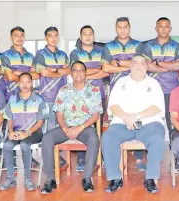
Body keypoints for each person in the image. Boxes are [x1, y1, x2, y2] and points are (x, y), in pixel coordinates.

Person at [101, 55, 165, 194]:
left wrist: (136, 116)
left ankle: (151, 178)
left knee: (157, 139)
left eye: (142, 63)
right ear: (130, 66)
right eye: (135, 63)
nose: (138, 65)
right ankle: (115, 178)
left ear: (146, 67)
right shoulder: (120, 83)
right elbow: (113, 105)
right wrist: (126, 117)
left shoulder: (154, 83)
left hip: (149, 123)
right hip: (123, 123)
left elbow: (157, 107)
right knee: (108, 137)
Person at [40, 61, 102, 194]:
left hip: (85, 128)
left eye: (81, 70)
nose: (78, 72)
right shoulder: (63, 90)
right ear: (71, 73)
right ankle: (50, 179)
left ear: (85, 73)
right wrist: (64, 128)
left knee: (94, 139)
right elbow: (59, 113)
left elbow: (96, 115)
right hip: (66, 127)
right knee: (46, 138)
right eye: (75, 70)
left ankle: (87, 178)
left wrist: (79, 128)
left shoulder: (94, 90)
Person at [102, 17, 146, 172]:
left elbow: (140, 64)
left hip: (137, 89)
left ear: (129, 27)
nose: (122, 30)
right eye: (119, 27)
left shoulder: (139, 45)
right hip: (117, 91)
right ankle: (116, 158)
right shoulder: (108, 47)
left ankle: (139, 158)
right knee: (119, 123)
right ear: (116, 28)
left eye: (125, 27)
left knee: (138, 122)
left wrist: (118, 63)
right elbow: (106, 69)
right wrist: (129, 66)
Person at [0, 72, 47, 191]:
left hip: (34, 133)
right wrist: (10, 131)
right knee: (7, 145)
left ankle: (28, 178)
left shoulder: (39, 99)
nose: (25, 85)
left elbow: (40, 122)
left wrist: (27, 133)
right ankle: (10, 178)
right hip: (16, 131)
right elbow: (9, 118)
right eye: (22, 82)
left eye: (28, 82)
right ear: (18, 84)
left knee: (25, 145)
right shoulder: (13, 99)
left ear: (32, 83)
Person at [69, 25, 108, 172]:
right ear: (80, 37)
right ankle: (81, 158)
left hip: (99, 95)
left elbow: (106, 72)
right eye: (84, 34)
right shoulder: (75, 53)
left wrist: (85, 73)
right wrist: (95, 70)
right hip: (80, 97)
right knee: (81, 126)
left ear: (94, 35)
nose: (87, 37)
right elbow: (75, 72)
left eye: (90, 34)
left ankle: (99, 156)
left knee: (99, 129)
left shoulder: (102, 52)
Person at [139, 17, 179, 132]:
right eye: (161, 26)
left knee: (172, 120)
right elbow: (147, 66)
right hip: (152, 89)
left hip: (172, 89)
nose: (163, 29)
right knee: (150, 120)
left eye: (166, 26)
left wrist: (158, 63)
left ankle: (174, 146)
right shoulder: (148, 46)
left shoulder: (177, 46)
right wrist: (169, 67)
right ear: (156, 28)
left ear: (170, 29)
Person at [34, 26, 70, 131]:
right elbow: (44, 73)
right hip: (47, 97)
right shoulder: (41, 54)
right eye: (50, 36)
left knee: (61, 128)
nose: (53, 39)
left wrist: (53, 70)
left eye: (56, 36)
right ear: (46, 38)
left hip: (62, 97)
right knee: (48, 129)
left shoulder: (63, 54)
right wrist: (59, 71)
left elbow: (68, 71)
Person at [2, 26, 40, 100]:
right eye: (16, 36)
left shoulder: (30, 56)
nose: (19, 38)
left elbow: (37, 76)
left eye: (22, 35)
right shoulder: (6, 55)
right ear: (11, 38)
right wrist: (29, 74)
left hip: (29, 97)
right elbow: (10, 77)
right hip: (12, 97)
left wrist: (19, 73)